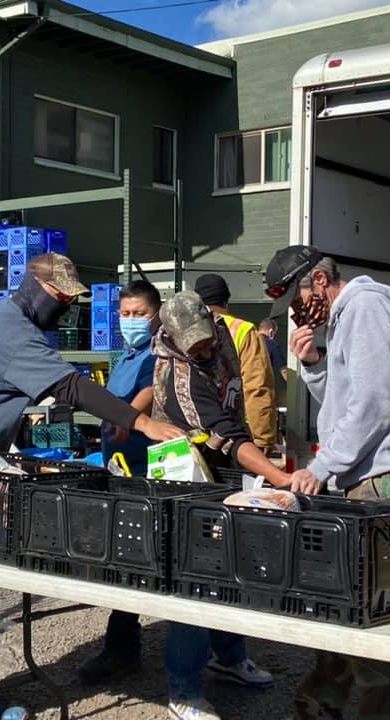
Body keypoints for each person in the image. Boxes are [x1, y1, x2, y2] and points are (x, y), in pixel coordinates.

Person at [0, 255, 183, 720]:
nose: (66, 306)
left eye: (72, 300)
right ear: (34, 285)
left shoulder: (15, 326)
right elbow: (70, 386)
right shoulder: (9, 329)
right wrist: (139, 420)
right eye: (61, 297)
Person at [264, 246, 390, 720]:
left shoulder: (363, 308)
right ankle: (323, 700)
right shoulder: (345, 318)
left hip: (385, 483)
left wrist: (319, 469)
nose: (296, 312)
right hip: (370, 479)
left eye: (296, 299)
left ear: (319, 279)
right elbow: (345, 401)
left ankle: (382, 712)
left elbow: (375, 407)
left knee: (374, 612)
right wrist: (316, 364)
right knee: (346, 604)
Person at [153, 291, 296, 720]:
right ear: (174, 341)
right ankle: (184, 689)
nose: (205, 348)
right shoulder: (178, 378)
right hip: (186, 477)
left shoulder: (223, 337)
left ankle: (230, 656)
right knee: (190, 580)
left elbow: (243, 403)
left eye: (207, 338)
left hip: (226, 470)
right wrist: (277, 476)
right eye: (194, 345)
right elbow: (227, 436)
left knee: (229, 570)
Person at [78, 279, 161, 684]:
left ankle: (123, 650)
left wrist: (129, 418)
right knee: (123, 565)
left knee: (137, 563)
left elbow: (149, 390)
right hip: (118, 472)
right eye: (125, 314)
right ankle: (122, 648)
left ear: (156, 314)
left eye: (138, 314)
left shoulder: (158, 354)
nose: (130, 321)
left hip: (147, 478)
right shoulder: (125, 356)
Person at [193, 274, 277, 452]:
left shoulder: (185, 331)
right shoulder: (243, 330)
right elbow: (257, 386)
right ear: (226, 301)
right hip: (234, 436)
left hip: (195, 432)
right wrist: (263, 438)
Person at [258, 318, 288, 383]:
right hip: (260, 385)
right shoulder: (272, 344)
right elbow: (284, 370)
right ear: (271, 332)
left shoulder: (247, 341)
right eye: (275, 334)